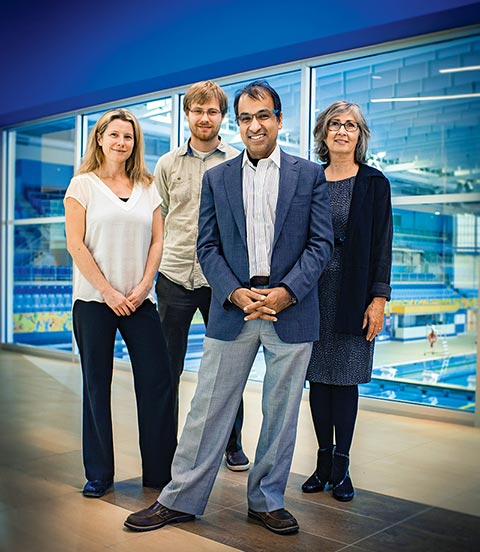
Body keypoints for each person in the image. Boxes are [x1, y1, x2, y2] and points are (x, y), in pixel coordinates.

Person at [124, 80, 333, 535]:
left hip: (289, 310)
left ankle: (266, 500)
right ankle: (179, 498)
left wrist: (286, 292)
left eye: (263, 116)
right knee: (208, 408)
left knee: (280, 414)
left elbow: (321, 244)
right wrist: (235, 292)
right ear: (237, 124)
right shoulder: (219, 177)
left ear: (278, 119)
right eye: (245, 118)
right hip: (233, 307)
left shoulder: (308, 175)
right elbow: (207, 245)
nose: (254, 125)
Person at [64, 109, 176, 498]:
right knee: (97, 384)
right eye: (114, 135)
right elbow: (75, 244)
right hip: (95, 301)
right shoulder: (82, 186)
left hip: (139, 300)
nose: (121, 142)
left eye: (128, 137)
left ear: (134, 143)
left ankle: (160, 472)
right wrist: (108, 291)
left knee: (158, 380)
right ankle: (99, 473)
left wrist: (146, 284)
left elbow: (158, 241)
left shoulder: (148, 187)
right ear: (100, 138)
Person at [154, 80, 250, 471]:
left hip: (222, 282)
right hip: (174, 276)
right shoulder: (167, 164)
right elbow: (158, 216)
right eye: (198, 110)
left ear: (222, 117)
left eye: (212, 111)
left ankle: (232, 443)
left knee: (230, 367)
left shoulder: (238, 163)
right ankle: (164, 445)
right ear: (187, 114)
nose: (204, 118)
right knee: (166, 369)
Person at [301, 100, 393, 502]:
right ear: (323, 132)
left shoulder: (374, 183)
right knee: (318, 380)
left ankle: (341, 467)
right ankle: (321, 464)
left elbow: (383, 244)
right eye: (334, 124)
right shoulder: (309, 180)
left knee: (346, 380)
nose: (342, 131)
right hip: (311, 294)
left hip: (354, 295)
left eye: (350, 125)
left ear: (360, 135)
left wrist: (379, 299)